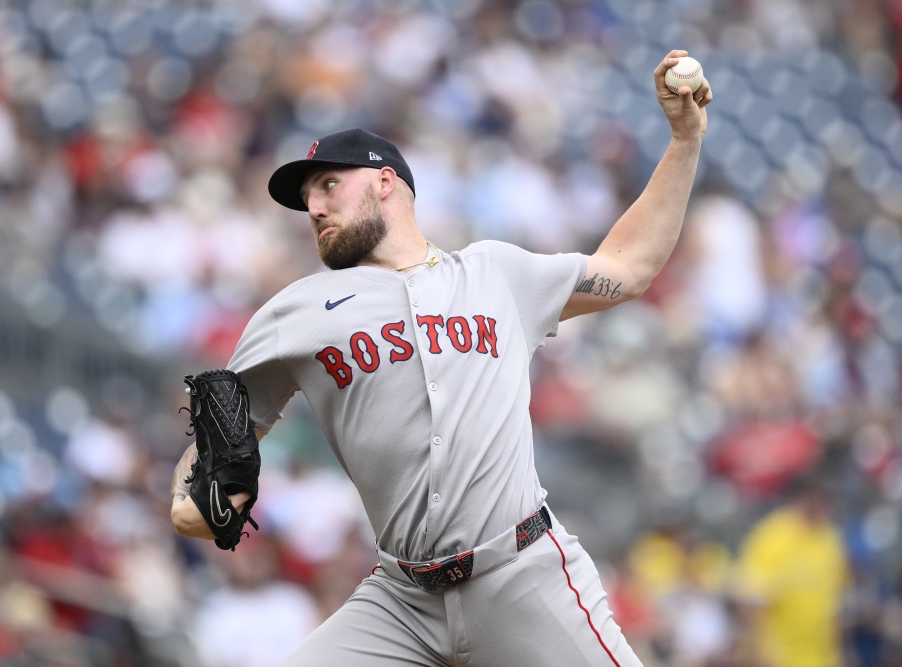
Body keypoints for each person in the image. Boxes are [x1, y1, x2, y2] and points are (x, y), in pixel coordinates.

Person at [170, 49, 711, 666]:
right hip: (400, 601)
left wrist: (684, 140)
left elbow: (629, 268)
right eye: (306, 197)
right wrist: (193, 496)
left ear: (385, 182)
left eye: (327, 185)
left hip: (523, 576)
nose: (314, 206)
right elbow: (216, 451)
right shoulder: (291, 314)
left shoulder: (496, 273)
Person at [734, 476, 849, 667]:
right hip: (780, 656)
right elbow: (751, 600)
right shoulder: (772, 537)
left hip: (822, 656)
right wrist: (761, 651)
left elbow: (835, 601)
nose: (820, 504)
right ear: (801, 498)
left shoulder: (830, 538)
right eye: (816, 497)